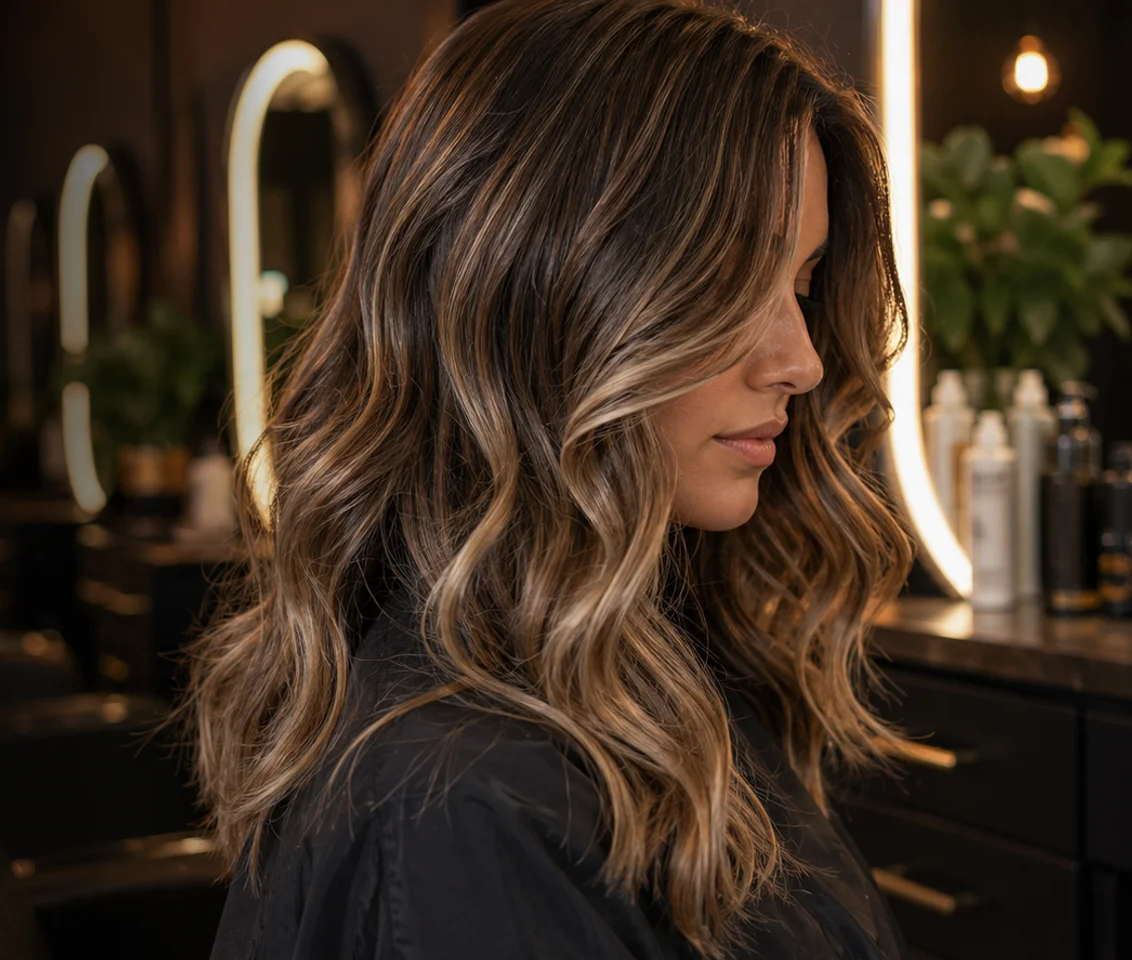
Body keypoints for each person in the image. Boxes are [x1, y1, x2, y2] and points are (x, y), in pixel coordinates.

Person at [181, 1, 916, 957]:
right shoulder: (460, 812)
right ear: (542, 295)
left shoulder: (634, 670)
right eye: (731, 278)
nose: (804, 360)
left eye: (803, 285)